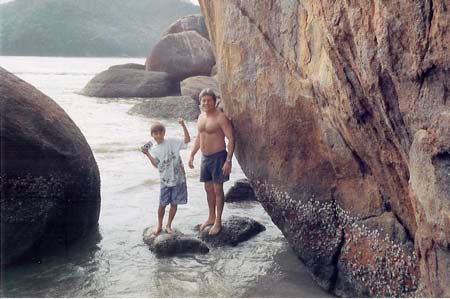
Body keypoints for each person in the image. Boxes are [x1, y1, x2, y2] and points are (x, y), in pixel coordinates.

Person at [189, 88, 235, 235]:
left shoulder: (220, 118)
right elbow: (199, 137)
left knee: (217, 190)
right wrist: (192, 154)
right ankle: (211, 216)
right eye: (203, 100)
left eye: (209, 100)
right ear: (200, 102)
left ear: (215, 102)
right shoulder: (201, 117)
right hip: (205, 158)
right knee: (208, 189)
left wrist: (228, 160)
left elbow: (231, 139)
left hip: (218, 157)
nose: (206, 103)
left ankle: (218, 222)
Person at [141, 118, 190, 236]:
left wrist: (183, 125)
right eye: (155, 133)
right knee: (162, 204)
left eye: (160, 132)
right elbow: (157, 165)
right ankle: (159, 224)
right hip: (165, 180)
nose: (158, 135)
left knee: (174, 203)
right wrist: (147, 154)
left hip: (178, 179)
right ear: (152, 135)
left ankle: (168, 225)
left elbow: (187, 140)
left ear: (164, 133)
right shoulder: (154, 149)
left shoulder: (172, 141)